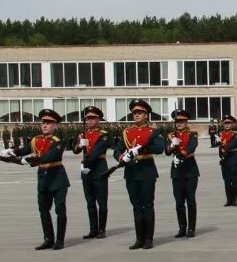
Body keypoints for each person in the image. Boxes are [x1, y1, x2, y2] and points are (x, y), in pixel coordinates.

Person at [4, 109, 69, 250]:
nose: (45, 125)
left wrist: (29, 160)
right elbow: (23, 150)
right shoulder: (36, 139)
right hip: (43, 179)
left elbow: (50, 156)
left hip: (57, 178)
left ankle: (60, 240)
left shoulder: (59, 141)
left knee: (59, 209)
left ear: (55, 125)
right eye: (43, 122)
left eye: (49, 123)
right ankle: (48, 239)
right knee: (43, 210)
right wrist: (11, 151)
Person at [114, 99, 165, 250]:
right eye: (134, 112)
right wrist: (121, 157)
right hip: (131, 171)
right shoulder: (126, 132)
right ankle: (139, 239)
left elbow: (159, 148)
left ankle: (149, 239)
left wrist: (141, 149)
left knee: (147, 205)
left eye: (140, 112)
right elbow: (117, 149)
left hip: (147, 170)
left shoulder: (153, 131)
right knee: (136, 206)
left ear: (146, 115)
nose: (136, 115)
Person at [72, 105, 110, 239]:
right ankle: (93, 229)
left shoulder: (103, 135)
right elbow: (75, 150)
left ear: (98, 119)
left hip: (99, 167)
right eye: (87, 118)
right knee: (90, 201)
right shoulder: (82, 134)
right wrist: (79, 145)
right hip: (86, 170)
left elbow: (97, 151)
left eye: (93, 118)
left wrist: (86, 160)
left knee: (102, 201)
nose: (89, 121)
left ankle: (102, 229)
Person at [165, 109, 200, 238]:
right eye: (177, 121)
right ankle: (182, 228)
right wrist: (172, 146)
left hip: (190, 169)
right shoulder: (171, 135)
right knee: (179, 201)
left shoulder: (192, 134)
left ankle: (191, 228)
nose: (179, 124)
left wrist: (181, 154)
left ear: (186, 121)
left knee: (190, 200)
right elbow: (167, 152)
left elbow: (192, 147)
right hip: (176, 171)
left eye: (181, 121)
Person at [216, 115, 237, 207]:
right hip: (224, 160)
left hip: (233, 159)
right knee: (226, 181)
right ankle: (228, 200)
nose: (227, 125)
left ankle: (234, 200)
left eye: (229, 123)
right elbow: (217, 145)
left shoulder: (235, 134)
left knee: (234, 181)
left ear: (232, 124)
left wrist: (223, 147)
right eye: (225, 123)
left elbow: (232, 145)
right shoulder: (220, 134)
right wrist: (218, 142)